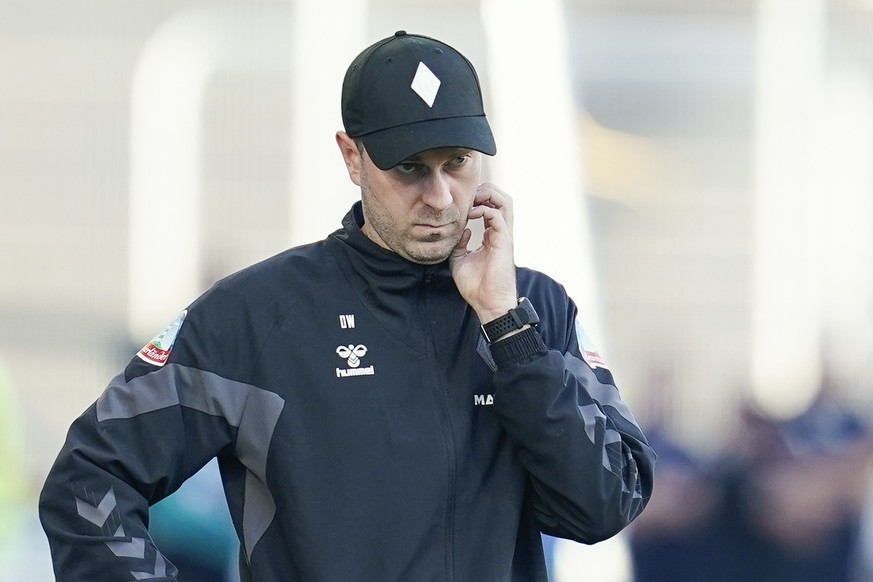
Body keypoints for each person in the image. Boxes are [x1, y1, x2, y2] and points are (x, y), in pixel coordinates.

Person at [39, 31, 655, 581]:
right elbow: (87, 482)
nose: (440, 196)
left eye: (458, 163)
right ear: (352, 156)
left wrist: (507, 328)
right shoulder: (257, 316)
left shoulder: (533, 309)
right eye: (411, 168)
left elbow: (603, 505)